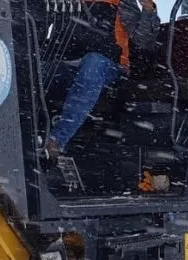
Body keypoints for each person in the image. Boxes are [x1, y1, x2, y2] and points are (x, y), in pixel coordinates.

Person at [44, 0, 160, 166]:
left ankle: (56, 140)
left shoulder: (122, 3)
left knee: (93, 63)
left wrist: (148, 10)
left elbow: (144, 41)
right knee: (32, 67)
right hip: (67, 63)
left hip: (109, 66)